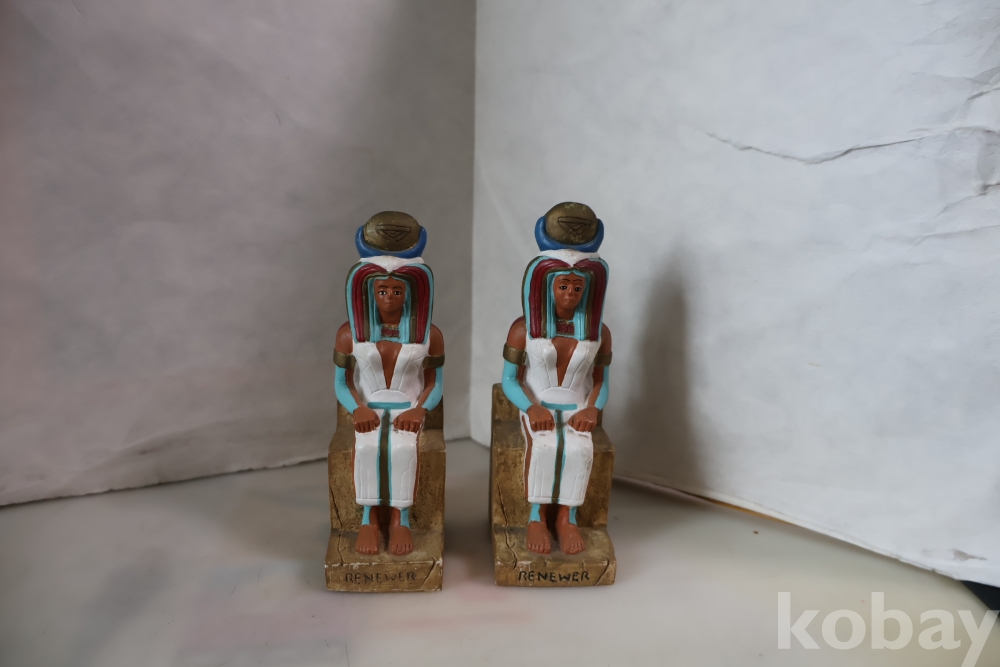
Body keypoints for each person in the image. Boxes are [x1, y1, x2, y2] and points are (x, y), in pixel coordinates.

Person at [501, 202, 611, 555]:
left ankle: (567, 518)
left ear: (588, 291)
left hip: (578, 406)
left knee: (579, 447)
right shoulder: (523, 330)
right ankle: (537, 515)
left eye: (577, 288)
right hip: (538, 404)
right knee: (546, 445)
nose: (570, 294)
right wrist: (531, 407)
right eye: (563, 286)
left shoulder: (600, 333)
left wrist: (593, 409)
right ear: (546, 287)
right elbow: (509, 380)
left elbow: (601, 381)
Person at [333, 212, 444, 556]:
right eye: (382, 290)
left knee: (402, 449)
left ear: (410, 294)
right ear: (369, 292)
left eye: (397, 290)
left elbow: (434, 382)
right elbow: (342, 382)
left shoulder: (431, 335)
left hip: (407, 408)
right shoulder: (348, 334)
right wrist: (357, 408)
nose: (390, 297)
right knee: (368, 447)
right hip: (368, 407)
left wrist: (420, 409)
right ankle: (368, 519)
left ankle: (400, 519)